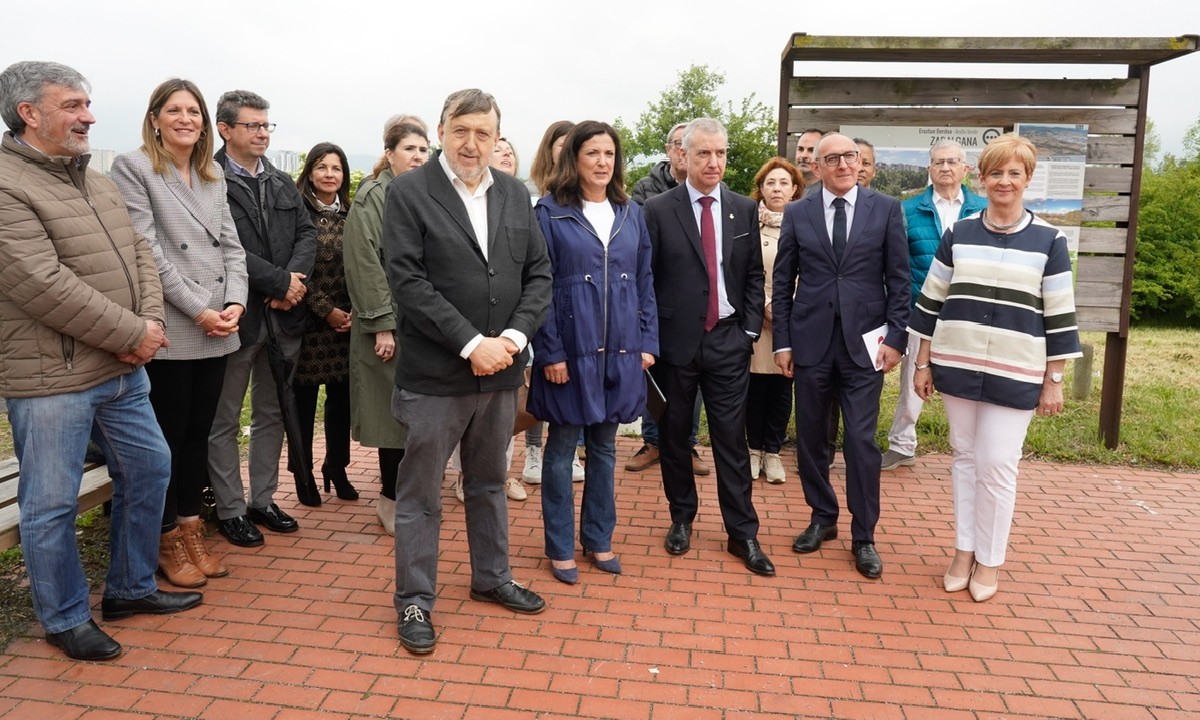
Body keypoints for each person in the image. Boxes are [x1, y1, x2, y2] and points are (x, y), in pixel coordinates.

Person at [0, 60, 202, 661]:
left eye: (87, 103)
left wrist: (151, 323)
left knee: (150, 468)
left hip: (121, 369)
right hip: (52, 378)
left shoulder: (95, 178)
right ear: (28, 113)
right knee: (51, 501)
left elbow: (141, 251)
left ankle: (131, 588)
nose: (89, 116)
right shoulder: (7, 184)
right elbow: (40, 282)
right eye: (72, 105)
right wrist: (130, 333)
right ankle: (63, 618)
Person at [383, 88, 552, 655]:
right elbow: (408, 282)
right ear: (441, 130)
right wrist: (471, 342)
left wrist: (512, 338)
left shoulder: (513, 192)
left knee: (488, 482)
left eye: (484, 133)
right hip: (436, 374)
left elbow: (538, 276)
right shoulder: (409, 193)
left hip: (502, 369)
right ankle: (414, 598)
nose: (472, 143)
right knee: (422, 493)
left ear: (497, 137)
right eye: (462, 131)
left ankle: (492, 577)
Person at [910, 133, 1082, 602]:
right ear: (981, 179)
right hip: (957, 365)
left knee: (998, 465)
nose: (1004, 181)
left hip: (1017, 371)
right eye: (996, 173)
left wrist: (1055, 380)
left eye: (1014, 173)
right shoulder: (958, 234)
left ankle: (990, 559)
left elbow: (1060, 316)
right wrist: (922, 364)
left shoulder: (1050, 239)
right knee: (964, 458)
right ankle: (963, 550)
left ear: (1027, 179)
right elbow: (929, 302)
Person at [110, 78, 248, 589]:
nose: (186, 119)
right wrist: (199, 310)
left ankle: (193, 530)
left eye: (194, 111)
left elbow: (232, 247)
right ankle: (166, 539)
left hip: (220, 324)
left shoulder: (213, 174)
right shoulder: (136, 167)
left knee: (198, 434)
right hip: (176, 323)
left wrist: (235, 301)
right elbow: (146, 250)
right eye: (175, 110)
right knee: (166, 439)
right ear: (155, 118)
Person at [772, 132, 910, 579]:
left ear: (860, 162)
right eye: (833, 159)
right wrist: (784, 342)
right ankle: (822, 517)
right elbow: (783, 280)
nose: (845, 165)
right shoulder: (797, 211)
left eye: (851, 157)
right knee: (812, 439)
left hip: (865, 347)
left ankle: (864, 535)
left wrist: (895, 339)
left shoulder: (886, 209)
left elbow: (899, 281)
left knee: (860, 442)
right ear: (817, 167)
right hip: (811, 344)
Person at [529, 121, 658, 584]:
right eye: (592, 154)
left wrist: (647, 343)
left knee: (604, 448)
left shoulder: (630, 212)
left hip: (621, 351)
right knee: (562, 448)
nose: (602, 162)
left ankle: (599, 539)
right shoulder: (548, 213)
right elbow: (538, 289)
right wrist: (550, 354)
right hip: (569, 349)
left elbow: (645, 282)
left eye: (609, 154)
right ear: (573, 160)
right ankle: (560, 546)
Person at [645, 117, 774, 577]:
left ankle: (743, 532)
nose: (714, 162)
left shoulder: (742, 207)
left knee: (730, 440)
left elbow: (754, 275)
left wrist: (748, 333)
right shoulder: (658, 209)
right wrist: (649, 339)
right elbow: (647, 279)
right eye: (703, 154)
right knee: (675, 437)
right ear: (684, 155)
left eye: (720, 153)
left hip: (729, 341)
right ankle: (682, 517)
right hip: (675, 345)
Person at [207, 90, 317, 548]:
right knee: (225, 418)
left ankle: (263, 499)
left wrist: (296, 282)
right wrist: (278, 282)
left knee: (273, 412)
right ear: (226, 129)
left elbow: (307, 233)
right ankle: (230, 509)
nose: (262, 133)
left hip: (284, 319)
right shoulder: (207, 178)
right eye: (253, 125)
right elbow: (223, 244)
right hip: (237, 317)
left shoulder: (279, 180)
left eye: (267, 125)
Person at [344, 116, 429, 535]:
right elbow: (365, 264)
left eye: (423, 149)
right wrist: (381, 324)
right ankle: (390, 501)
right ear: (390, 153)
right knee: (391, 418)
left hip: (426, 324)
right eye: (409, 148)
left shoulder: (429, 194)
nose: (417, 156)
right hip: (390, 324)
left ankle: (413, 497)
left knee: (421, 418)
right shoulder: (373, 197)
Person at [882, 140, 987, 471]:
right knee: (913, 382)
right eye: (938, 162)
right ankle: (902, 445)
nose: (945, 168)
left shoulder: (983, 209)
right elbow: (896, 264)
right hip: (921, 310)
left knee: (973, 383)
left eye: (952, 162)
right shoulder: (908, 209)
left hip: (970, 315)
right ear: (929, 168)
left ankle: (976, 448)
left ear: (965, 168)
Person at [625, 121, 708, 478]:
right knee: (654, 373)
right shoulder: (646, 189)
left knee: (693, 377)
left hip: (695, 302)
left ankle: (687, 444)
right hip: (656, 297)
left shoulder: (709, 188)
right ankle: (653, 441)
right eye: (676, 144)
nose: (680, 151)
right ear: (673, 150)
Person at [291, 142, 357, 501]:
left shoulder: (353, 211)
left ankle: (337, 466)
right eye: (322, 167)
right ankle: (302, 473)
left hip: (347, 323)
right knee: (302, 403)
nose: (329, 175)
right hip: (308, 322)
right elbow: (298, 268)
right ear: (310, 172)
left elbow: (364, 264)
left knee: (341, 402)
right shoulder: (297, 210)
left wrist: (353, 315)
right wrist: (325, 310)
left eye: (336, 168)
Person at [519, 120, 578, 488]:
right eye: (562, 143)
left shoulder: (588, 195)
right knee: (535, 380)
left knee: (567, 383)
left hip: (572, 310)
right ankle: (533, 450)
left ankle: (568, 450)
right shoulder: (530, 194)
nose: (567, 149)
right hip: (535, 303)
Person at [746, 158, 803, 484]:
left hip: (793, 318)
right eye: (771, 183)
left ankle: (773, 452)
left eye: (783, 183)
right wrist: (764, 306)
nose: (777, 188)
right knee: (755, 387)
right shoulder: (748, 223)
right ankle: (753, 450)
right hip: (757, 317)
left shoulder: (805, 222)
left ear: (794, 189)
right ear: (762, 189)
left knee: (783, 388)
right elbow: (741, 271)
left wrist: (786, 308)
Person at [526, 119, 573, 197]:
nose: (568, 151)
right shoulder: (528, 191)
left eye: (573, 146)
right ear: (549, 148)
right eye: (563, 145)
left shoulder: (587, 190)